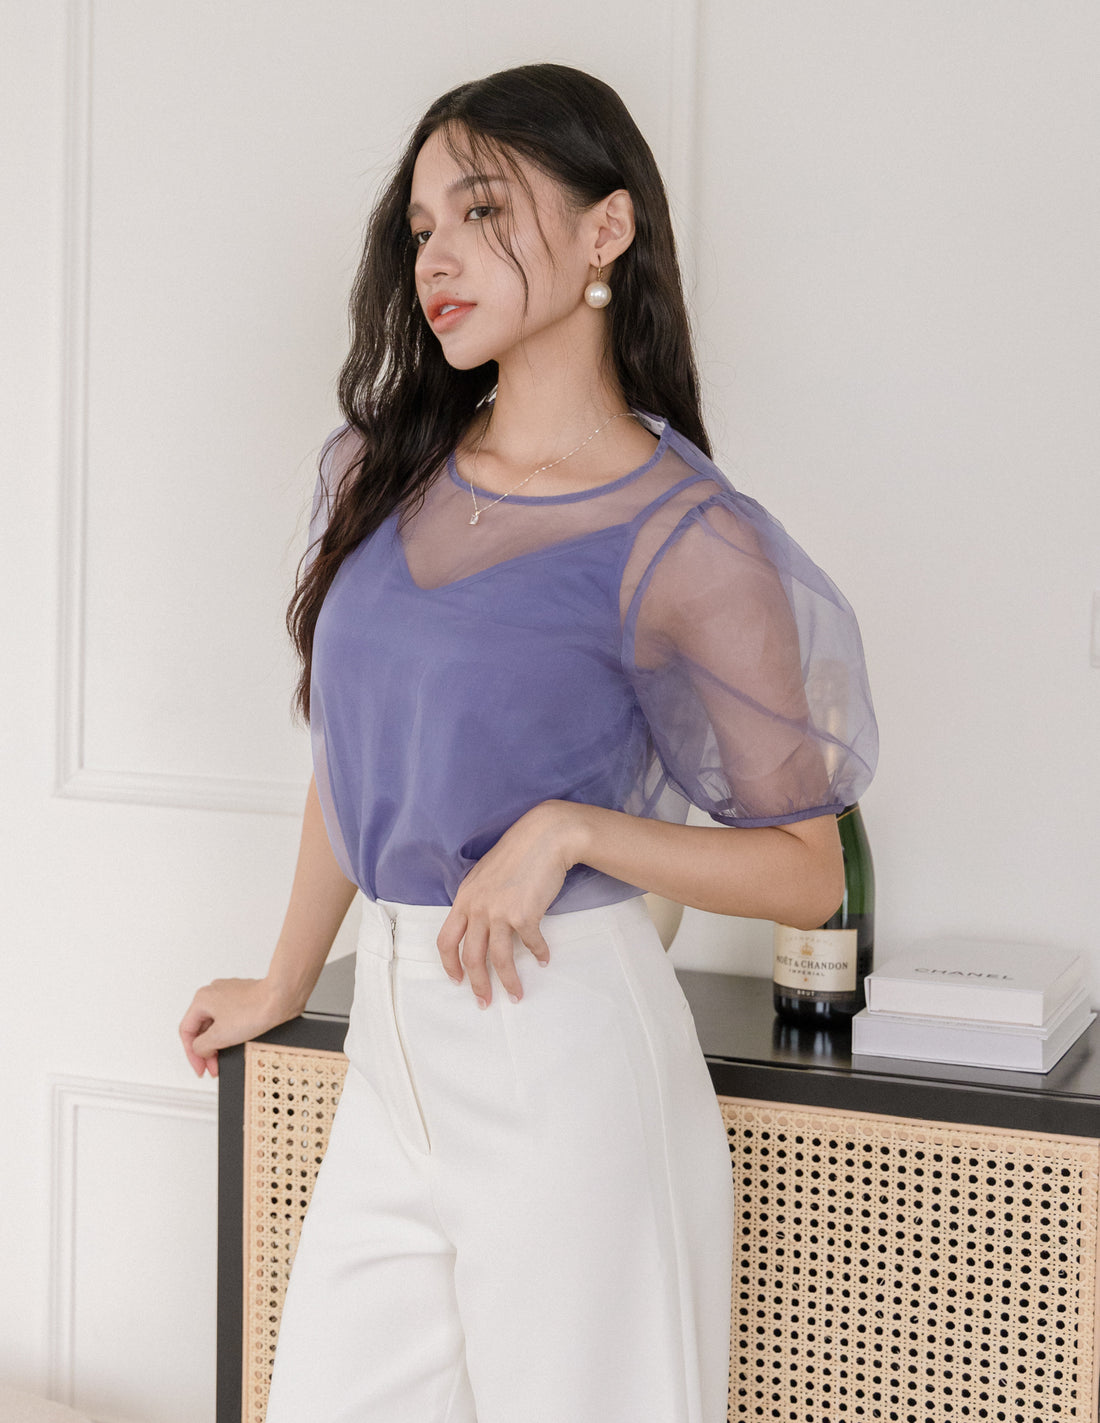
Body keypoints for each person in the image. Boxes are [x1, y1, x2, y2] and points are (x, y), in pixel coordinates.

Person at [179, 61, 877, 1423]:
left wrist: (570, 831)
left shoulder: (689, 536)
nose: (436, 256)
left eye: (483, 209)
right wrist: (284, 979)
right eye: (421, 226)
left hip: (567, 1066)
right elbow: (355, 758)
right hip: (389, 1065)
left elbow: (808, 873)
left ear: (606, 230)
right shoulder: (377, 473)